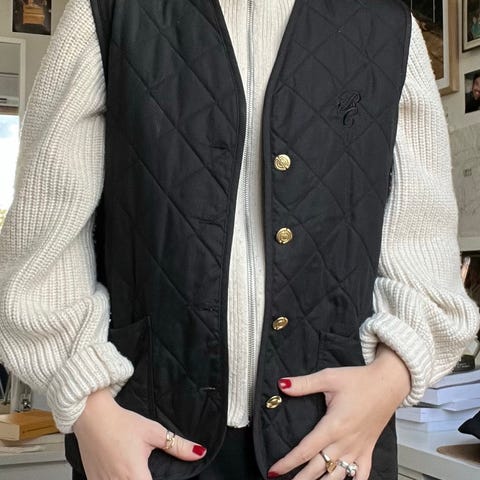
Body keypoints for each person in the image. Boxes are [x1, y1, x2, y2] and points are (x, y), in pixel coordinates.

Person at [0, 1, 479, 479]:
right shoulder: (107, 12)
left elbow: (424, 258)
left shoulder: (387, 26)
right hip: (139, 439)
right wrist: (89, 409)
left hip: (338, 444)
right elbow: (42, 249)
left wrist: (389, 382)